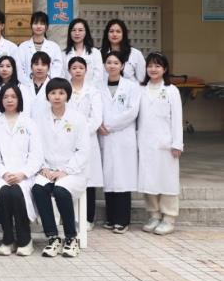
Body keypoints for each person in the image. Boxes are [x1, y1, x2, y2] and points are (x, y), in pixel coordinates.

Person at [32, 78, 89, 258]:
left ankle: (71, 238)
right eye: (53, 93)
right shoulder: (39, 118)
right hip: (47, 170)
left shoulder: (78, 119)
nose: (57, 97)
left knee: (61, 191)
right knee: (38, 189)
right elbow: (35, 147)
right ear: (47, 96)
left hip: (72, 172)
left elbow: (83, 150)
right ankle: (53, 237)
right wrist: (43, 168)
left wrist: (64, 171)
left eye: (61, 93)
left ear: (67, 96)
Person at [0, 83, 43, 257]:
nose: (9, 100)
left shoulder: (29, 123)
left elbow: (37, 155)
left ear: (19, 99)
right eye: (5, 97)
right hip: (2, 174)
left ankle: (25, 239)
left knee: (17, 192)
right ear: (0, 100)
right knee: (4, 192)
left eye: (13, 96)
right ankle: (8, 239)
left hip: (25, 174)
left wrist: (22, 174)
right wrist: (4, 173)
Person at [138, 52, 184, 236]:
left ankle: (169, 218)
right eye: (150, 65)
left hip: (166, 144)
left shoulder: (171, 90)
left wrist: (177, 143)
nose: (153, 69)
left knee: (167, 180)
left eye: (157, 66)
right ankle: (154, 215)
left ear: (165, 69)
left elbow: (177, 118)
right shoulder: (141, 89)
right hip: (145, 142)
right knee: (149, 180)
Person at [98, 50, 141, 234]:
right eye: (109, 62)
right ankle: (110, 218)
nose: (112, 66)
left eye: (116, 63)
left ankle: (122, 220)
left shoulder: (131, 87)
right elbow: (95, 108)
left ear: (122, 65)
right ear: (104, 65)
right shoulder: (98, 87)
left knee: (122, 179)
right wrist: (99, 124)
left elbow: (132, 112)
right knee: (109, 178)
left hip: (123, 136)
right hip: (104, 136)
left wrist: (109, 125)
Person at [67, 56, 103, 229]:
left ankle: (88, 218)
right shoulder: (64, 90)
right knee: (70, 178)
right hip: (67, 139)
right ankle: (70, 218)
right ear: (69, 70)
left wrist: (81, 132)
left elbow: (96, 118)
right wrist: (72, 133)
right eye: (74, 68)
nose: (78, 71)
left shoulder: (93, 91)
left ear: (86, 70)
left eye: (81, 68)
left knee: (88, 181)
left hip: (88, 139)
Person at [16, 11, 62, 84]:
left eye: (42, 23)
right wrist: (29, 84)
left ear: (46, 27)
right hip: (27, 86)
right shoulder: (23, 47)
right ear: (31, 25)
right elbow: (19, 69)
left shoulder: (54, 47)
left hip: (49, 86)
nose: (38, 26)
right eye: (35, 23)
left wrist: (48, 83)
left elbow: (57, 68)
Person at [63, 18, 103, 88]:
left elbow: (98, 76)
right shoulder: (63, 54)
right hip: (69, 90)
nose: (77, 33)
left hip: (91, 91)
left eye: (80, 30)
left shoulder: (95, 52)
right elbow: (62, 75)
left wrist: (88, 90)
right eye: (74, 30)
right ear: (70, 33)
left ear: (86, 32)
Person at [22, 51, 51, 118]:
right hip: (26, 122)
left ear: (48, 67)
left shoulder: (54, 87)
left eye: (43, 65)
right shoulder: (23, 86)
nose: (39, 68)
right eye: (36, 64)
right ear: (31, 67)